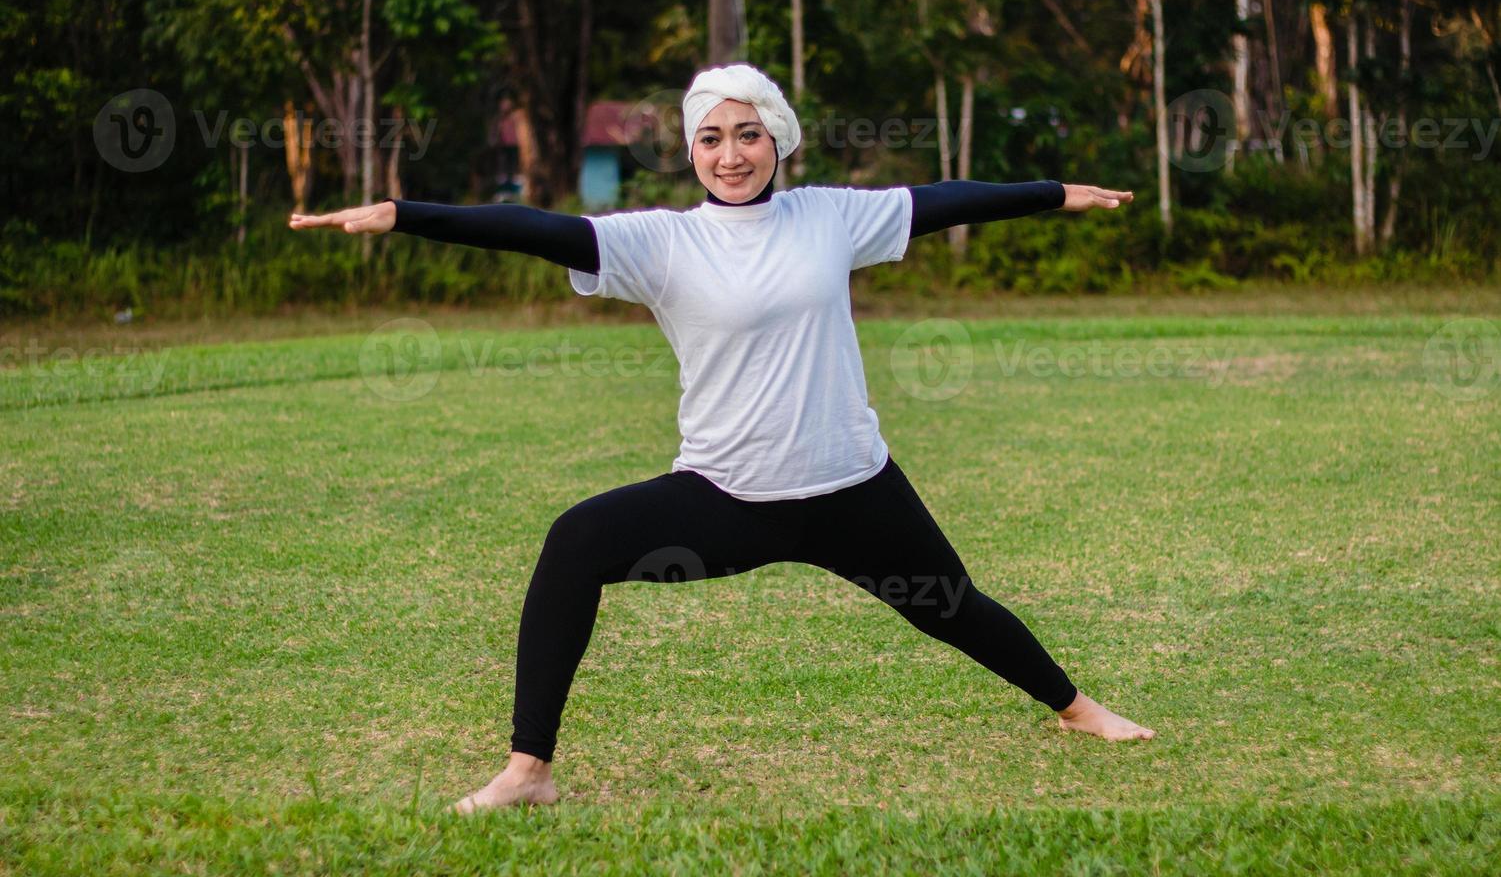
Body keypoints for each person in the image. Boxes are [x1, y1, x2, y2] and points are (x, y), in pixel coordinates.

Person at [290, 63, 1154, 814]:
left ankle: (1076, 708)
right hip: (730, 500)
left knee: (949, 607)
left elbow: (944, 202)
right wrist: (403, 212)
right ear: (691, 151)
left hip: (853, 488)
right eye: (709, 138)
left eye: (747, 134)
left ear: (778, 141)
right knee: (576, 539)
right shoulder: (661, 240)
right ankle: (527, 770)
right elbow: (531, 228)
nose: (729, 153)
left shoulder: (829, 218)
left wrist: (1055, 195)